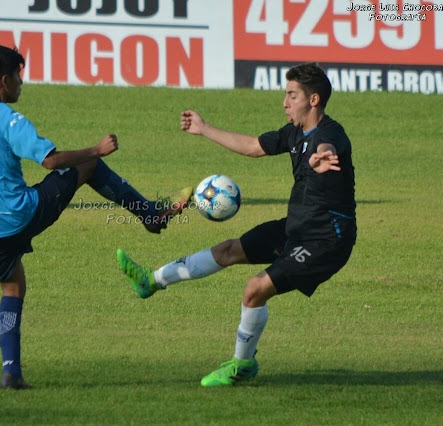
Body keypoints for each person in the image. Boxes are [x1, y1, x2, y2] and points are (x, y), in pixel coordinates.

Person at [0, 45, 192, 390]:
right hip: (20, 214)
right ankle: (150, 215)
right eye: (18, 76)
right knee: (87, 165)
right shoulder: (9, 120)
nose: (21, 83)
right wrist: (96, 150)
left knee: (12, 287)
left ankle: (11, 370)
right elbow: (52, 161)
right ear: (3, 80)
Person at [117, 62, 356, 387]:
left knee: (255, 289)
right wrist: (203, 128)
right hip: (297, 228)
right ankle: (151, 281)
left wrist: (320, 158)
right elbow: (252, 147)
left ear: (313, 100)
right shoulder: (294, 132)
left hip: (326, 240)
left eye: (291, 95)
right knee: (228, 250)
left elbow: (325, 150)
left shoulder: (330, 135)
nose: (285, 103)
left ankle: (242, 364)